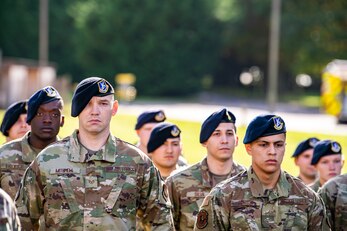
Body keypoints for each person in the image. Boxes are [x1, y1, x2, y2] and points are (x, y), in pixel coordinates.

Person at [15, 77, 173, 230]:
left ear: (114, 108)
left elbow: (161, 222)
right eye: (88, 104)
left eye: (103, 103)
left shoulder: (137, 162)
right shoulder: (46, 161)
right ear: (77, 108)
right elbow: (21, 221)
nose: (95, 111)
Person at [195, 114, 329, 230]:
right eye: (264, 145)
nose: (272, 152)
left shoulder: (307, 198)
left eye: (278, 145)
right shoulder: (223, 196)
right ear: (249, 148)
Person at [166, 108, 246, 230]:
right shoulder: (178, 182)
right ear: (204, 141)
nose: (224, 140)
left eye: (229, 134)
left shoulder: (249, 181)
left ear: (236, 140)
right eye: (217, 134)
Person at [0, 86, 64, 199]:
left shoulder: (73, 156)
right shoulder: (4, 156)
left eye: (54, 115)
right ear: (29, 119)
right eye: (39, 114)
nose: (47, 120)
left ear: (62, 121)